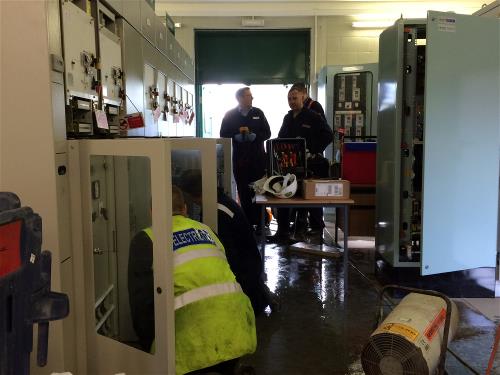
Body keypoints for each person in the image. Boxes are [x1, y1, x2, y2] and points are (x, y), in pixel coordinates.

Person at [128, 186, 257, 375]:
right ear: (185, 209)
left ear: (152, 212)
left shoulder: (146, 240)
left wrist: (153, 351)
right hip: (237, 333)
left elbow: (141, 307)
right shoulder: (207, 231)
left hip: (188, 348)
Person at [179, 169, 277, 316]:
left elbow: (229, 257)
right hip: (249, 270)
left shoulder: (217, 212)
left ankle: (258, 294)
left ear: (189, 195)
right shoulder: (219, 202)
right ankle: (259, 292)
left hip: (243, 280)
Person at [268, 87, 333, 243]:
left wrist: (313, 149)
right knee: (283, 196)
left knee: (308, 200)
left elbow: (328, 135)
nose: (292, 102)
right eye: (289, 99)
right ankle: (282, 232)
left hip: (309, 166)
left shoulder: (313, 117)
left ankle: (312, 231)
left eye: (294, 98)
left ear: (302, 98)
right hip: (288, 165)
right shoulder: (287, 118)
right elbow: (280, 137)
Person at [220, 87, 271, 228]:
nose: (252, 98)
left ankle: (262, 221)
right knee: (243, 191)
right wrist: (236, 136)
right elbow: (223, 133)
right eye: (249, 96)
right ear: (240, 98)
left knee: (258, 191)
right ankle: (247, 222)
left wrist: (255, 136)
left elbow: (267, 133)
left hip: (258, 160)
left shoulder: (258, 113)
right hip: (240, 160)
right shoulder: (230, 115)